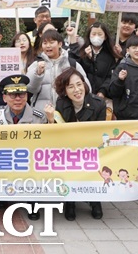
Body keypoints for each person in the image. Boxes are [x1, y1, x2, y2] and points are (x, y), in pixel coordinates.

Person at [0, 74, 48, 220]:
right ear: (4, 97)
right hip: (4, 158)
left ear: (27, 96)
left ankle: (32, 203)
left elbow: (45, 143)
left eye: (21, 94)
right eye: (13, 95)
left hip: (29, 159)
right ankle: (2, 196)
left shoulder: (39, 117)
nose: (18, 99)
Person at [49, 68, 106, 221]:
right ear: (64, 90)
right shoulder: (61, 103)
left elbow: (100, 134)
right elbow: (57, 131)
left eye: (79, 84)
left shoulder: (99, 104)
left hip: (91, 148)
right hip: (69, 149)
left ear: (84, 84)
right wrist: (50, 119)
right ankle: (70, 202)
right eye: (70, 87)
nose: (76, 90)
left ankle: (95, 201)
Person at [27, 30, 90, 113]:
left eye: (51, 42)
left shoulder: (72, 64)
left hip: (67, 114)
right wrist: (38, 74)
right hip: (42, 114)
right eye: (45, 43)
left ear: (60, 44)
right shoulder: (36, 64)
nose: (48, 46)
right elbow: (30, 89)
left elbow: (87, 88)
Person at [68, 22, 120, 99]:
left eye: (99, 34)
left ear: (105, 37)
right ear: (89, 35)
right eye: (94, 34)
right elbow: (76, 69)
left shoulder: (110, 56)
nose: (96, 37)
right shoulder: (82, 52)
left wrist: (103, 91)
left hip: (101, 97)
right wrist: (88, 59)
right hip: (83, 95)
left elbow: (110, 76)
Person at [109, 36, 138, 120]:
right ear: (128, 50)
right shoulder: (121, 67)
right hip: (125, 117)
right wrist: (120, 80)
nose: (137, 50)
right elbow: (113, 92)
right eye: (134, 47)